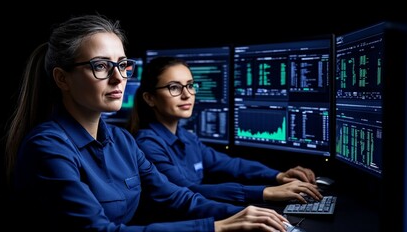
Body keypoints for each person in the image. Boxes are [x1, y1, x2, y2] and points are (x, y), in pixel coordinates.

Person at [4, 14, 290, 232]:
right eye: (101, 66)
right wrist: (215, 227)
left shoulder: (122, 141)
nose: (118, 78)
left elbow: (178, 199)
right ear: (62, 78)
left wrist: (246, 213)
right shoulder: (47, 147)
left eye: (122, 65)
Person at [126, 56, 323, 206]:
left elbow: (231, 164)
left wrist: (278, 176)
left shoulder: (186, 138)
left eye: (190, 85)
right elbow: (187, 191)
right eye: (174, 87)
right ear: (150, 98)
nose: (187, 95)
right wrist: (266, 192)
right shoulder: (147, 145)